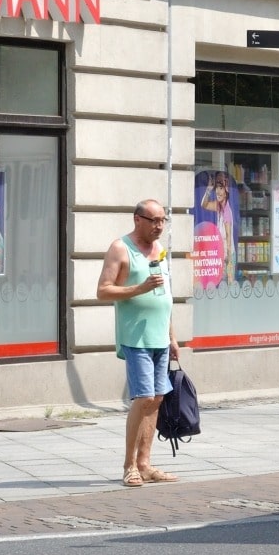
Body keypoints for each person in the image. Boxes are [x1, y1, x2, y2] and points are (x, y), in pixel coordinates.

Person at [96, 199, 182, 488]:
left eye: (163, 220)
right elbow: (103, 291)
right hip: (136, 336)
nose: (159, 226)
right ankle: (129, 465)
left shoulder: (160, 250)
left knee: (157, 398)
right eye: (154, 220)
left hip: (160, 335)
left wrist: (172, 336)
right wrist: (138, 288)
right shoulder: (120, 248)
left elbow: (164, 295)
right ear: (137, 220)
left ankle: (145, 464)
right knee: (143, 397)